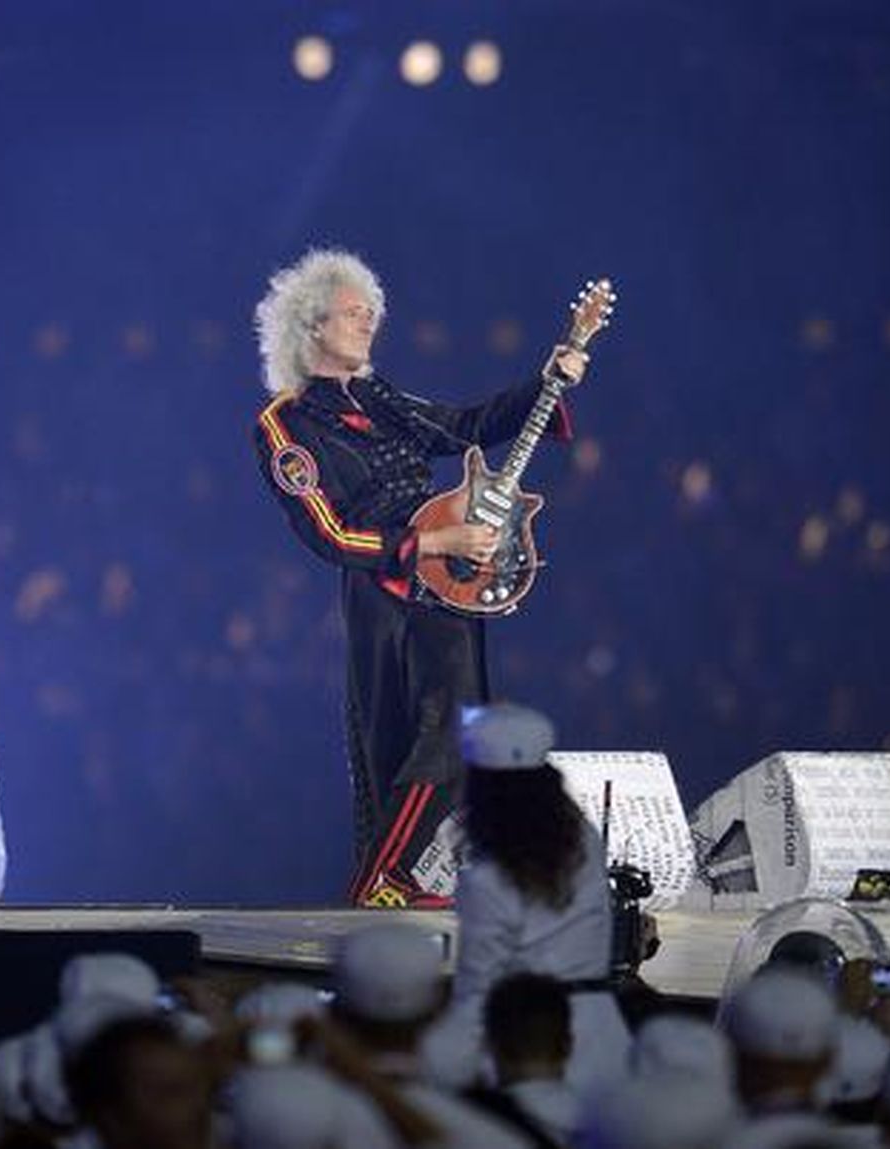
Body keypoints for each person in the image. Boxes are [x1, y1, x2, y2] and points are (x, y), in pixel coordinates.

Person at [251, 248, 584, 906]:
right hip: (385, 587)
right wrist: (434, 538)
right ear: (312, 324)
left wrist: (544, 381)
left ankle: (395, 879)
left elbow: (463, 426)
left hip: (449, 577)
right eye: (354, 312)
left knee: (460, 731)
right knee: (416, 740)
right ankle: (385, 880)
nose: (370, 321)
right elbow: (329, 535)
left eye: (373, 311)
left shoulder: (380, 399)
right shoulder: (284, 425)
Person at [428, 703, 630, 1091]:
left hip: (529, 1051)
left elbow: (478, 989)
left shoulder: (486, 882)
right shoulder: (585, 839)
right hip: (605, 1040)